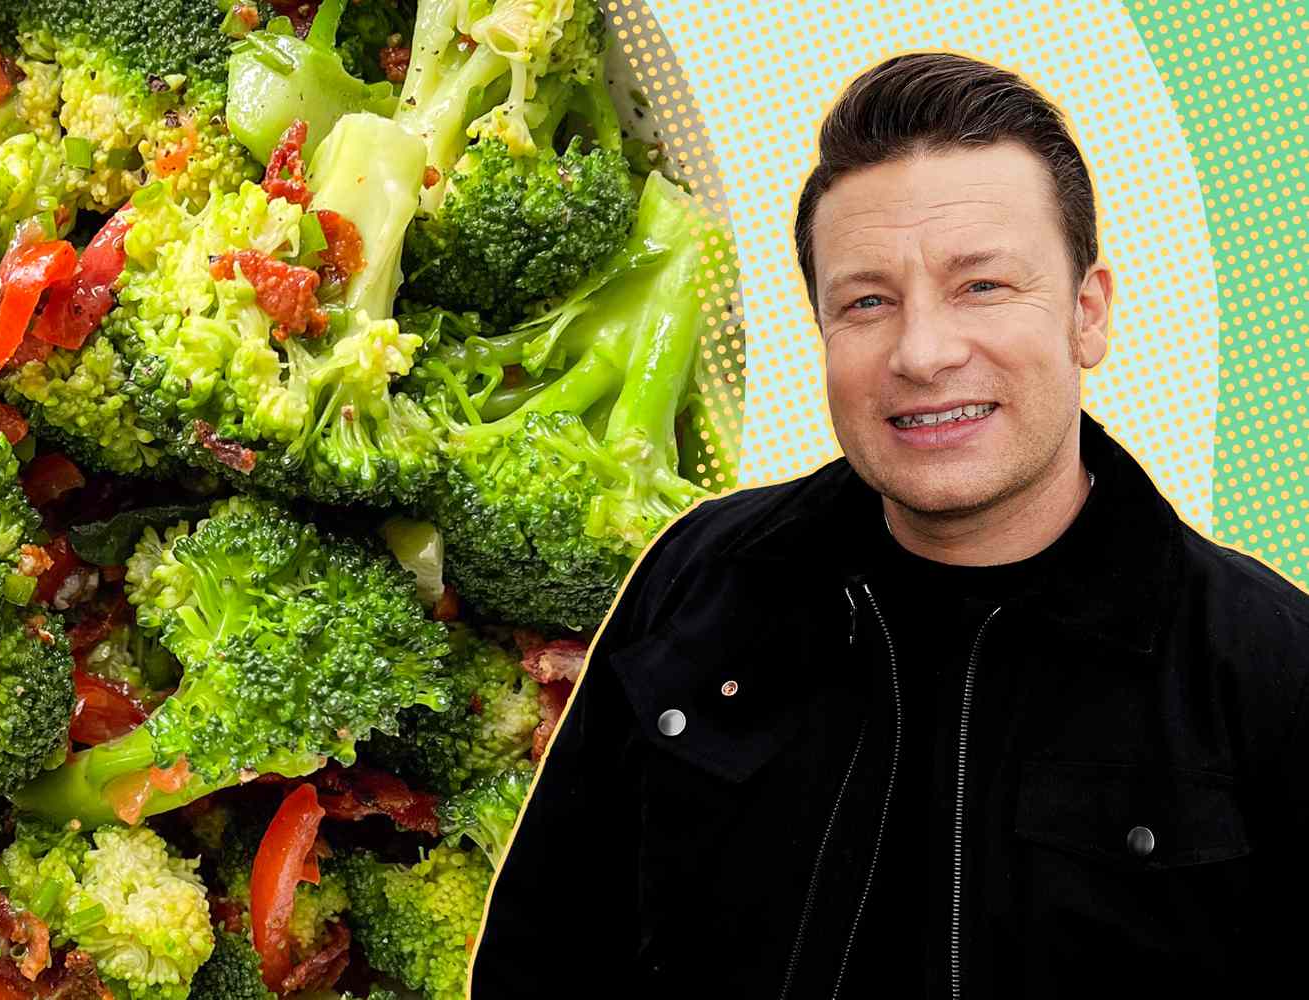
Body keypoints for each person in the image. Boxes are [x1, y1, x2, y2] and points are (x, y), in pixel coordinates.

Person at [467, 51, 1309, 998]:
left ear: (1088, 315)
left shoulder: (1270, 669)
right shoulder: (698, 576)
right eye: (866, 302)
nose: (922, 352)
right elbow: (536, 962)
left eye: (982, 286)